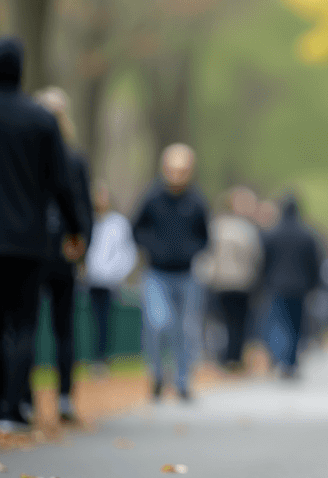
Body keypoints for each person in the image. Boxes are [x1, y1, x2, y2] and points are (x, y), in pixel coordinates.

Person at [0, 38, 85, 433]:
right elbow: (62, 183)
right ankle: (14, 407)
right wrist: (75, 229)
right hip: (27, 240)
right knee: (23, 322)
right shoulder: (40, 120)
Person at [30, 87, 93, 423]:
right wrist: (81, 242)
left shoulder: (30, 154)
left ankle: (34, 397)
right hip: (54, 249)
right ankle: (60, 396)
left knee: (35, 324)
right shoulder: (72, 158)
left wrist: (82, 245)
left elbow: (83, 207)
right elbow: (83, 209)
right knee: (59, 326)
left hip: (41, 250)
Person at [132, 144, 209, 400]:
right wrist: (153, 248)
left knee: (185, 329)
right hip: (157, 273)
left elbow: (205, 237)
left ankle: (182, 380)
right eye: (173, 170)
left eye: (183, 170)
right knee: (158, 323)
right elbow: (137, 230)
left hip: (186, 275)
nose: (177, 175)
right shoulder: (152, 198)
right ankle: (155, 373)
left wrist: (190, 250)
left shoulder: (196, 201)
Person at [194, 187, 262, 370]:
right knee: (233, 323)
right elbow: (255, 255)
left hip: (229, 281)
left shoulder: (218, 226)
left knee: (227, 321)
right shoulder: (244, 228)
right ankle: (231, 356)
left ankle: (228, 356)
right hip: (235, 281)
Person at [259, 194, 322, 377]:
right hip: (300, 286)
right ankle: (291, 360)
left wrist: (265, 280)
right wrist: (314, 283)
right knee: (296, 324)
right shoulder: (307, 234)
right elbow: (314, 262)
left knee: (279, 322)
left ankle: (280, 357)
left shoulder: (273, 233)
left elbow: (265, 260)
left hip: (276, 284)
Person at [83, 181, 137, 370]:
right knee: (90, 317)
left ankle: (103, 357)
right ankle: (92, 356)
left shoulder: (118, 223)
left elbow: (128, 252)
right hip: (90, 279)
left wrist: (117, 273)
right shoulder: (87, 220)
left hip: (110, 281)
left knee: (106, 317)